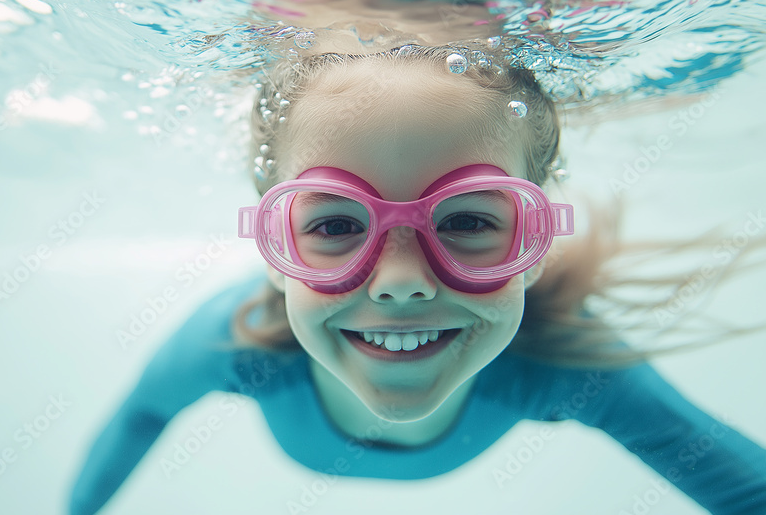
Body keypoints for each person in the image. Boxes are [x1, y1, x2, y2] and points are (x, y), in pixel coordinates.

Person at [68, 38, 766, 514]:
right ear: (272, 249)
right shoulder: (234, 342)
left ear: (537, 236)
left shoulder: (562, 360)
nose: (403, 282)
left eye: (468, 223)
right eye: (335, 226)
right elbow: (143, 416)